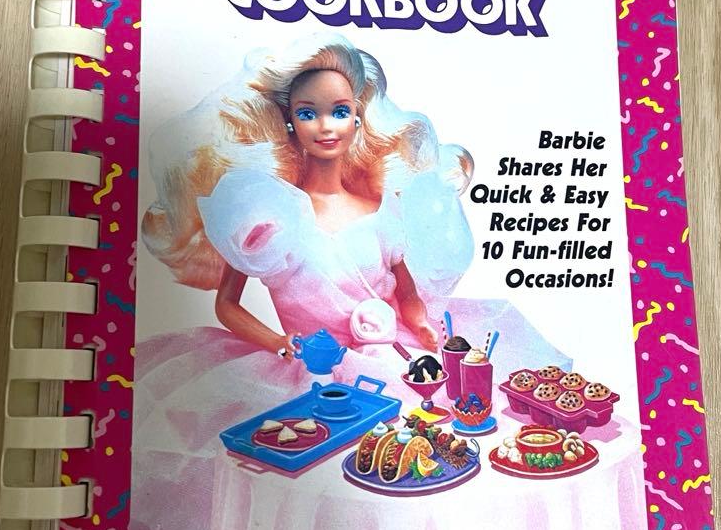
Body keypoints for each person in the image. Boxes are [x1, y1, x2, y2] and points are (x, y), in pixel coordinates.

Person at [141, 32, 475, 359]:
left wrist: (419, 323)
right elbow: (227, 305)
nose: (326, 126)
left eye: (340, 112)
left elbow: (407, 294)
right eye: (308, 114)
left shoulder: (383, 211)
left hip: (388, 357)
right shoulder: (266, 215)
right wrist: (276, 341)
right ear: (290, 122)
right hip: (308, 367)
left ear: (358, 119)